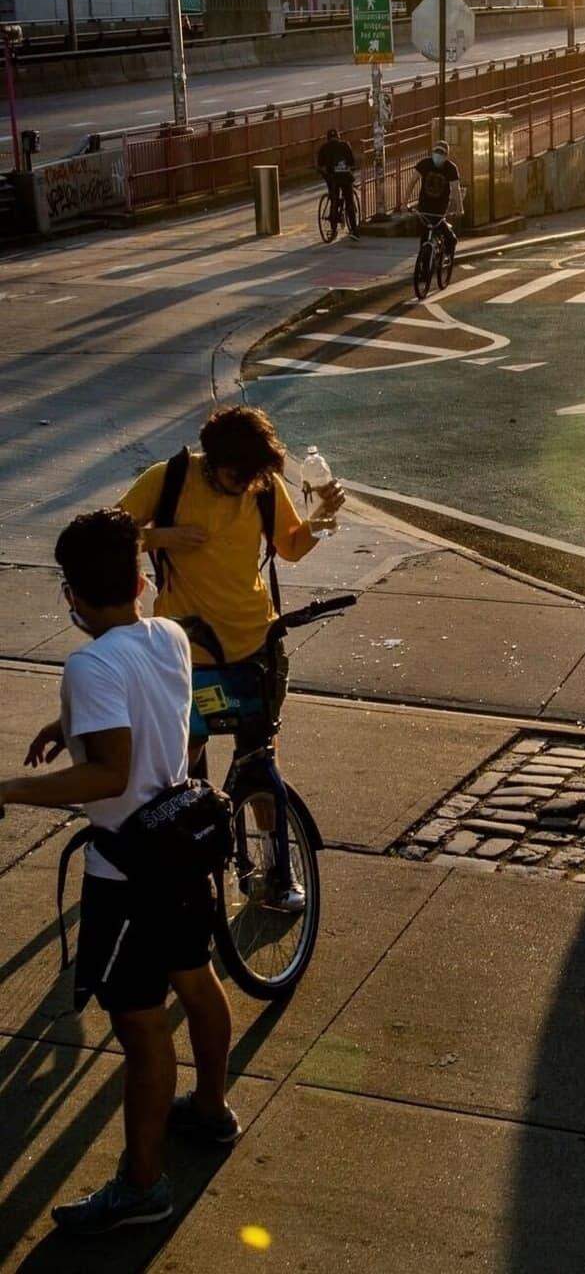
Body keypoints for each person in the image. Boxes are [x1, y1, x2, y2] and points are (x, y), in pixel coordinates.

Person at [0, 509, 238, 1235]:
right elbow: (147, 708)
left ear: (70, 594)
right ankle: (210, 1109)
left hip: (128, 869)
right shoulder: (166, 632)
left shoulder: (89, 663)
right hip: (180, 844)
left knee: (139, 1028)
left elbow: (106, 775)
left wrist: (8, 790)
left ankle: (142, 1185)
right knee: (196, 981)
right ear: (139, 580)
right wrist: (67, 721)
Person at [117, 407, 345, 905]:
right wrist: (162, 537)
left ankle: (275, 870)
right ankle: (183, 857)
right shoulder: (170, 479)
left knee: (259, 759)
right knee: (185, 759)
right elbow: (107, 534)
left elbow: (290, 547)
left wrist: (323, 519)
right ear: (212, 461)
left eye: (254, 476)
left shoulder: (261, 485)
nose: (245, 485)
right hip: (187, 653)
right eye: (235, 476)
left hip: (255, 648)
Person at [406, 139, 463, 257]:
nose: (438, 156)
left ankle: (447, 251)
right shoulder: (424, 164)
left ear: (446, 156)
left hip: (440, 208)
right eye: (436, 152)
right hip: (424, 206)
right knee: (424, 236)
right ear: (432, 153)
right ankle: (423, 263)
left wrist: (459, 208)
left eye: (442, 153)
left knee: (447, 234)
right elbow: (412, 182)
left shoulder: (451, 168)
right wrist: (404, 202)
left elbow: (456, 189)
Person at [315, 126, 360, 237]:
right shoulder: (345, 145)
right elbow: (352, 161)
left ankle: (333, 229)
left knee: (334, 200)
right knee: (349, 202)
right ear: (338, 137)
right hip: (345, 176)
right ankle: (354, 230)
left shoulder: (324, 147)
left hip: (332, 178)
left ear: (328, 138)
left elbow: (320, 164)